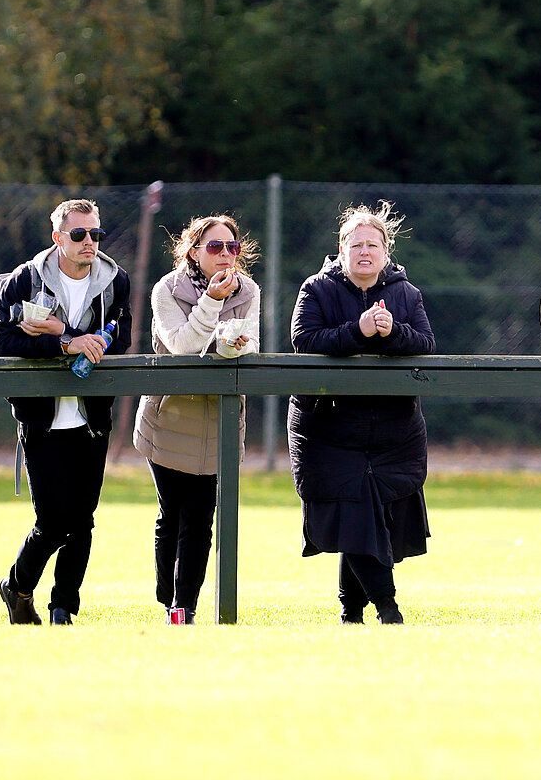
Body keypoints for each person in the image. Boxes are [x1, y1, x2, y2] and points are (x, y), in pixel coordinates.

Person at [289, 202, 437, 624]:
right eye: (357, 245)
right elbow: (304, 339)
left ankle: (351, 611)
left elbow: (425, 344)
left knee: (373, 517)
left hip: (393, 431)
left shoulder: (407, 293)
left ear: (386, 252)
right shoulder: (315, 289)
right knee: (354, 512)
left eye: (373, 245)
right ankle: (389, 610)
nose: (365, 252)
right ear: (341, 248)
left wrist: (392, 333)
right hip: (327, 428)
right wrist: (360, 331)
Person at [0, 198, 133, 625]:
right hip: (40, 419)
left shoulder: (115, 279)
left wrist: (77, 337)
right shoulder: (25, 280)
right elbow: (0, 346)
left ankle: (63, 608)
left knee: (83, 522)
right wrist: (64, 342)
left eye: (96, 234)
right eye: (79, 234)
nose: (90, 242)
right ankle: (16, 587)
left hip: (92, 417)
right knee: (52, 522)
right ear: (57, 238)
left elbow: (120, 337)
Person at [133, 215, 260, 625]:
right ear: (193, 252)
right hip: (167, 418)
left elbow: (250, 343)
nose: (225, 255)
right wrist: (212, 302)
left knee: (201, 520)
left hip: (217, 421)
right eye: (214, 247)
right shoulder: (166, 290)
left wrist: (234, 346)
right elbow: (183, 346)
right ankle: (165, 595)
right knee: (172, 513)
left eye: (232, 247)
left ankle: (183, 608)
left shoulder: (250, 290)